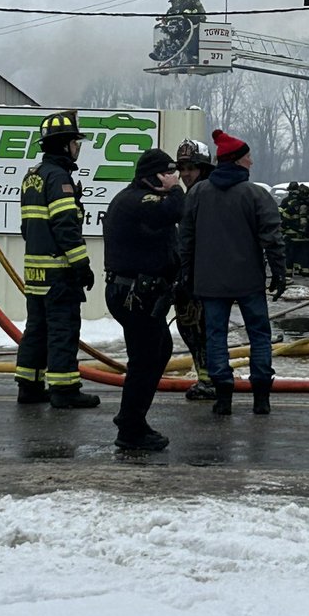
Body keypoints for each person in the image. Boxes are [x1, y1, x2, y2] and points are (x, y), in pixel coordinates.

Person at [179, 128, 286, 416]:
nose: (251, 162)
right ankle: (261, 396)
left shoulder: (198, 194)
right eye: (249, 157)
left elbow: (185, 240)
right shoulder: (256, 195)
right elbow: (272, 238)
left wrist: (186, 274)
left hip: (209, 282)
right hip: (249, 280)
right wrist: (278, 272)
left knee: (215, 336)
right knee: (259, 335)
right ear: (238, 160)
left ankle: (223, 395)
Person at [15, 109, 99, 408]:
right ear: (64, 145)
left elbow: (28, 227)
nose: (78, 148)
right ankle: (65, 390)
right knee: (63, 329)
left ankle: (29, 386)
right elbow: (66, 226)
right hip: (59, 273)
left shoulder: (32, 177)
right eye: (76, 143)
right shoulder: (59, 179)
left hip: (35, 272)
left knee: (36, 330)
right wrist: (82, 266)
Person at [103, 148, 184, 451]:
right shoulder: (139, 200)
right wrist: (176, 188)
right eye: (169, 172)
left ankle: (131, 418)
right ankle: (130, 428)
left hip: (141, 293)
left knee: (158, 350)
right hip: (133, 294)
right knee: (146, 357)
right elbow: (175, 211)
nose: (175, 178)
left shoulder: (141, 200)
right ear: (155, 176)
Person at [173, 138, 215, 399]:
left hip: (202, 277)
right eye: (183, 169)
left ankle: (209, 379)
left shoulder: (203, 196)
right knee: (192, 329)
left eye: (191, 168)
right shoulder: (193, 195)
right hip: (194, 275)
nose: (186, 174)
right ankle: (208, 376)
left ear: (204, 168)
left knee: (199, 329)